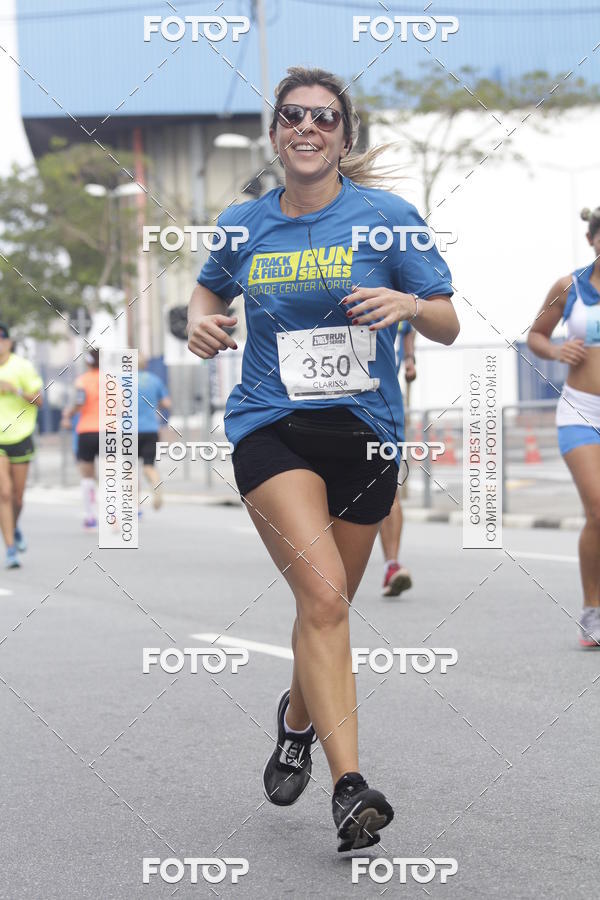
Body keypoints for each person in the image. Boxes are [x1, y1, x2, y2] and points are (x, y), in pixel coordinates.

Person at [187, 66, 459, 851]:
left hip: (366, 436)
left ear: (345, 137)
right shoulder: (242, 224)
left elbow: (446, 320)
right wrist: (200, 323)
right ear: (276, 135)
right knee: (327, 597)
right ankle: (349, 789)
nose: (307, 127)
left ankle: (296, 723)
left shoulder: (389, 218)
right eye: (292, 116)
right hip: (271, 428)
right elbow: (207, 293)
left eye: (324, 117)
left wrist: (410, 304)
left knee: (326, 608)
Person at [527, 206, 600, 649]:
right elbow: (536, 334)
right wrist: (557, 352)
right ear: (592, 239)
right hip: (581, 411)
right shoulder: (569, 286)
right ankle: (593, 611)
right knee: (599, 509)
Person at [0, 323, 43, 568]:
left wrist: (15, 389)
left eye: (1, 339)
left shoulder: (22, 366)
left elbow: (39, 400)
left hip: (21, 436)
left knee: (17, 498)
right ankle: (10, 549)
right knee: (3, 493)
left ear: (8, 342)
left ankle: (13, 527)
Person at [380, 321, 416, 596]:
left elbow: (407, 327)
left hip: (379, 403)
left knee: (387, 487)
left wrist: (410, 360)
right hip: (311, 406)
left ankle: (392, 565)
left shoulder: (391, 299)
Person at [61, 348, 100, 529]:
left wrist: (68, 415)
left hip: (87, 431)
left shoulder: (82, 381)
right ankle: (113, 514)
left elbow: (79, 402)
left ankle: (90, 516)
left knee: (87, 475)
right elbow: (122, 407)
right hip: (109, 431)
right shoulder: (113, 381)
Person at [137, 355, 171, 511]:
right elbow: (167, 403)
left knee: (129, 470)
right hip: (151, 429)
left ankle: (135, 506)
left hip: (128, 431)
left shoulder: (122, 380)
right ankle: (156, 486)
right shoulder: (155, 380)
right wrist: (154, 406)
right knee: (149, 466)